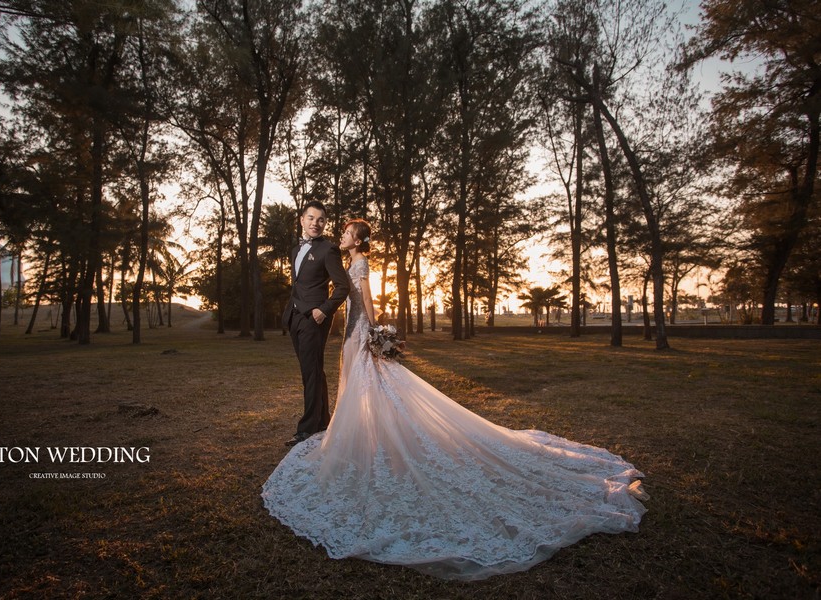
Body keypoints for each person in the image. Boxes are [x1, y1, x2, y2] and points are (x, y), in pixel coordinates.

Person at [263, 219, 648, 580]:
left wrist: (374, 333)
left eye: (347, 233)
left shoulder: (359, 263)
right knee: (367, 389)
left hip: (361, 331)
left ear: (357, 240)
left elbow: (367, 300)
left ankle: (380, 441)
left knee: (373, 387)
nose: (341, 236)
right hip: (352, 330)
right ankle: (371, 437)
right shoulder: (350, 259)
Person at [282, 201, 350, 448]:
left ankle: (307, 429)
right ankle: (322, 421)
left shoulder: (329, 250)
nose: (315, 223)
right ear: (302, 219)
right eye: (311, 218)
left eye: (321, 219)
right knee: (313, 371)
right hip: (295, 317)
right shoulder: (295, 250)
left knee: (311, 373)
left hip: (314, 319)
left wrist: (324, 310)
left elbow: (343, 286)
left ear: (325, 223)